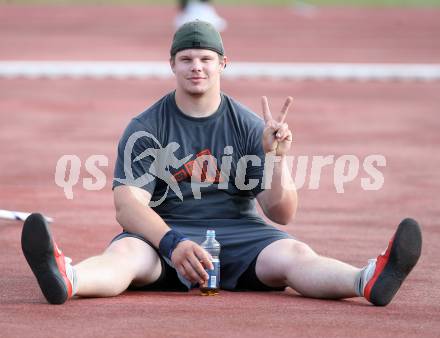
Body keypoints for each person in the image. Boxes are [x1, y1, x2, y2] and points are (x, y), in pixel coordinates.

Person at [21, 20, 422, 306]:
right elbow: (128, 206)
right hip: (166, 235)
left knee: (296, 256)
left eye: (206, 58)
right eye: (187, 58)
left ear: (222, 64)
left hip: (240, 235)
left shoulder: (249, 126)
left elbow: (281, 213)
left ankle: (366, 279)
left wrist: (276, 158)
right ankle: (68, 277)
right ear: (173, 65)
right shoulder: (147, 127)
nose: (197, 66)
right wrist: (172, 243)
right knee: (123, 259)